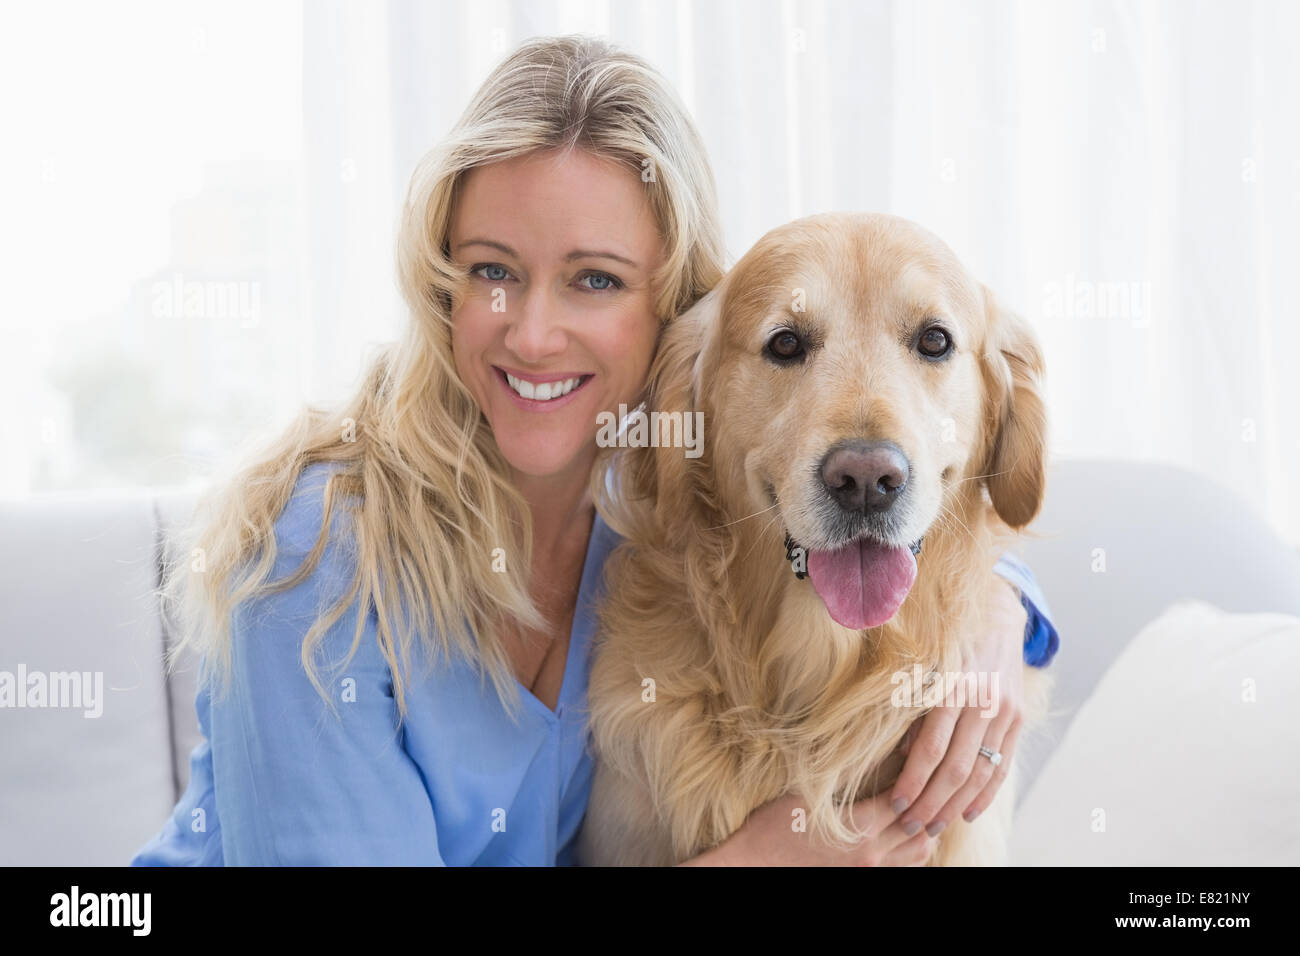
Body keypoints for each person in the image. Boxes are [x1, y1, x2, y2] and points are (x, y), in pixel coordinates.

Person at [130, 34, 1058, 867]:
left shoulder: (652, 521)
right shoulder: (314, 557)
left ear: (672, 317)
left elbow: (914, 523)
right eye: (493, 271)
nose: (533, 335)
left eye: (594, 280)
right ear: (440, 283)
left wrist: (1001, 618)